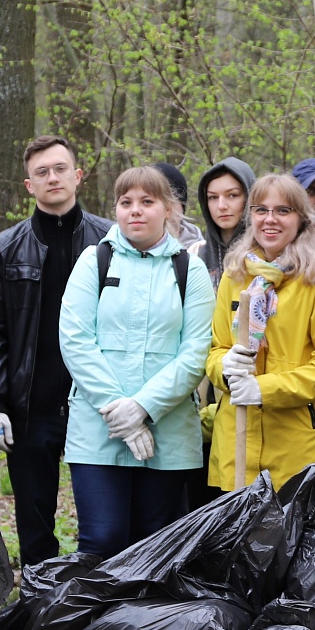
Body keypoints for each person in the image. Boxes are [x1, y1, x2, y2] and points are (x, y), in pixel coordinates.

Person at [59, 167, 217, 554]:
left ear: (168, 209)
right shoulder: (93, 261)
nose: (135, 210)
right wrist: (120, 412)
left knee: (155, 548)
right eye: (126, 202)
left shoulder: (190, 269)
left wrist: (143, 408)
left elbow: (195, 351)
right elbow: (75, 340)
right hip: (99, 429)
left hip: (169, 433)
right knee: (103, 539)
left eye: (147, 201)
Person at [0, 135, 111, 563]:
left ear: (78, 175)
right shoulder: (5, 247)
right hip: (31, 405)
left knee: (103, 523)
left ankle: (98, 598)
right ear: (28, 185)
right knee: (35, 525)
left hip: (98, 402)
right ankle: (38, 597)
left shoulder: (111, 241)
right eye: (41, 172)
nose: (52, 178)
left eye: (60, 169)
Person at [206, 173, 315, 491]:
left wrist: (264, 389)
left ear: (301, 218)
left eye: (283, 211)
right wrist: (225, 368)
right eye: (261, 210)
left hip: (300, 453)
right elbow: (216, 349)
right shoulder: (236, 274)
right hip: (238, 447)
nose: (270, 219)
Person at [196, 158, 256, 280]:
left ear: (249, 197)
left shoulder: (268, 254)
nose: (221, 206)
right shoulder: (197, 258)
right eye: (213, 197)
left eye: (232, 195)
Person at [153, 161, 207, 261]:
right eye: (148, 202)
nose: (161, 208)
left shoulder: (202, 251)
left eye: (167, 200)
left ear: (182, 206)